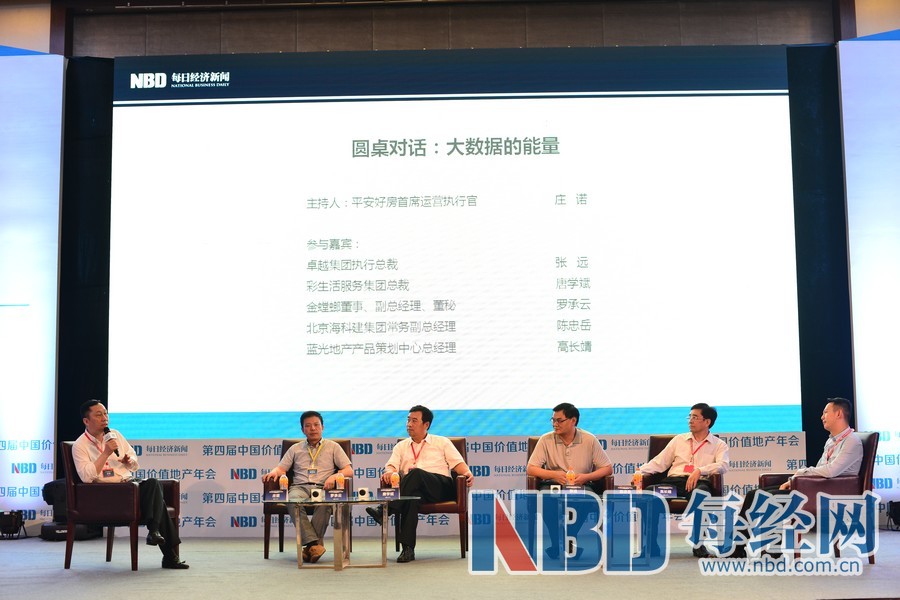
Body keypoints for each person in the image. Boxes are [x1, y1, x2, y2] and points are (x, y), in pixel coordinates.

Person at [732, 397, 862, 558]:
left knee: (772, 498)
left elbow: (830, 471)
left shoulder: (851, 441)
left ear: (839, 414)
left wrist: (800, 474)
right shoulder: (831, 441)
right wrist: (793, 480)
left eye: (825, 412)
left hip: (832, 493)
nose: (822, 417)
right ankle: (737, 548)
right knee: (755, 495)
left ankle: (774, 552)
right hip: (818, 488)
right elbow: (820, 469)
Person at [72, 400, 188, 569]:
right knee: (158, 502)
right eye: (98, 415)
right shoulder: (80, 445)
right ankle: (166, 552)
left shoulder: (115, 435)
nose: (104, 418)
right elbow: (86, 477)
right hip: (108, 493)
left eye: (105, 413)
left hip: (129, 486)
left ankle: (155, 532)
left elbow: (134, 461)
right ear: (86, 421)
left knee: (153, 484)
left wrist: (129, 461)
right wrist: (106, 453)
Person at [365, 405, 474, 563]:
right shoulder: (401, 446)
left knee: (415, 473)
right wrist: (389, 472)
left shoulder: (441, 442)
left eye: (414, 421)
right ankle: (408, 550)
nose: (409, 424)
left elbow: (459, 465)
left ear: (426, 424)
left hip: (440, 487)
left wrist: (468, 473)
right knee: (411, 498)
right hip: (415, 490)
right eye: (408, 420)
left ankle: (385, 509)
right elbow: (391, 466)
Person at [634, 402, 730, 558]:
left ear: (707, 422)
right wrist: (639, 472)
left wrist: (700, 470)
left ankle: (698, 545)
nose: (690, 420)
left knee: (702, 495)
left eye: (695, 417)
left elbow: (723, 465)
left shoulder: (719, 445)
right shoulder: (679, 440)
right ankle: (651, 546)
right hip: (673, 483)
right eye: (689, 417)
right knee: (651, 495)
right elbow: (660, 462)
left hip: (698, 483)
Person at [262, 410, 352, 563]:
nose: (313, 428)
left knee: (325, 503)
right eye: (308, 426)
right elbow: (281, 469)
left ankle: (309, 547)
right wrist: (273, 472)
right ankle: (314, 545)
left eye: (316, 425)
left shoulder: (333, 447)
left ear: (322, 427)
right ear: (303, 429)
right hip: (300, 487)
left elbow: (348, 470)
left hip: (323, 487)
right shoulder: (295, 448)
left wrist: (334, 476)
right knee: (292, 501)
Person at [526, 402, 613, 494]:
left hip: (581, 485)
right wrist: (554, 475)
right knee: (546, 498)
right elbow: (531, 468)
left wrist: (586, 477)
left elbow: (607, 468)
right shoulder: (545, 440)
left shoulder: (589, 439)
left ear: (573, 421)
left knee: (588, 498)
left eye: (559, 421)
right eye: (553, 420)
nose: (555, 424)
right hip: (553, 485)